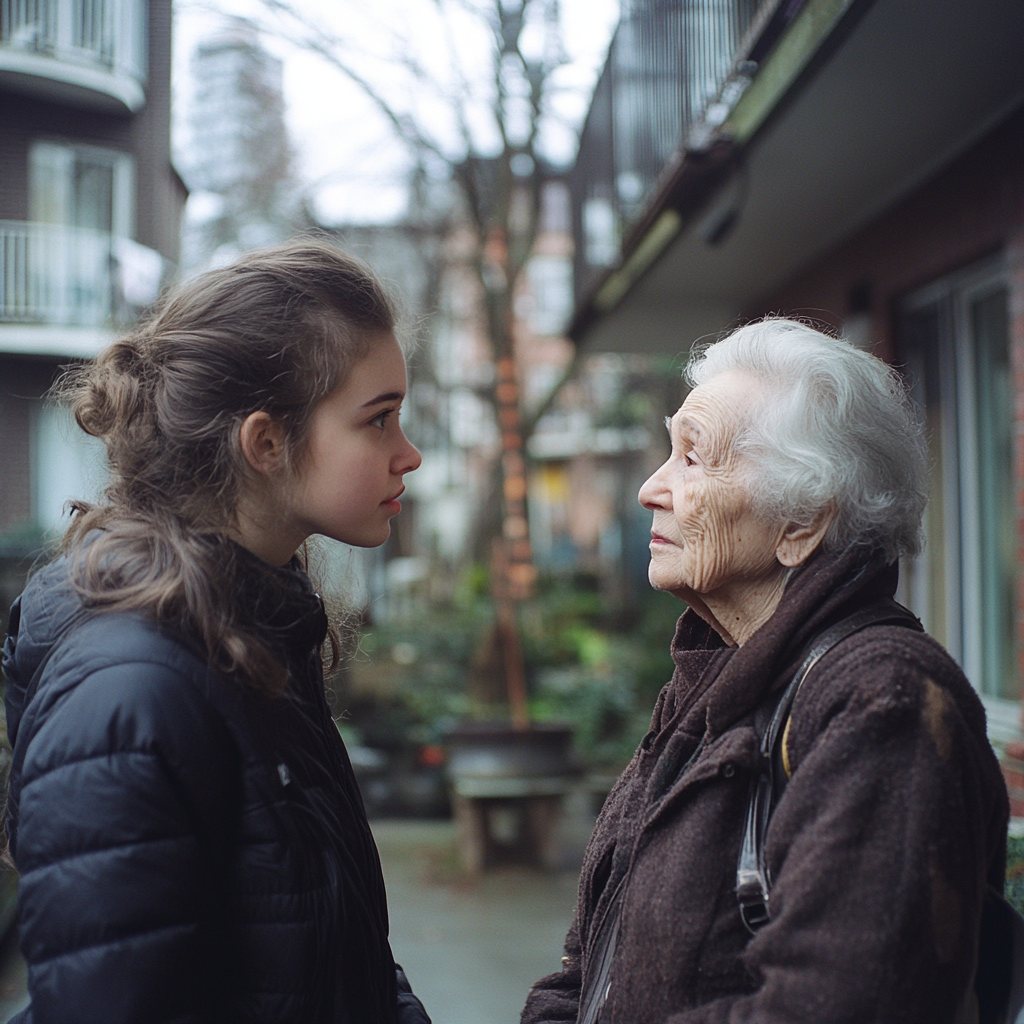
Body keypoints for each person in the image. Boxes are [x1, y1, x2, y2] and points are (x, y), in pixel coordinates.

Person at [522, 318, 1010, 1024]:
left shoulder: (881, 701)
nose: (650, 489)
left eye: (694, 459)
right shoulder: (709, 686)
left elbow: (838, 1008)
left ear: (801, 523)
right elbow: (588, 967)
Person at [2, 240, 431, 1023]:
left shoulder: (254, 632)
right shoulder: (136, 694)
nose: (410, 454)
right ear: (265, 442)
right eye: (379, 420)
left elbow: (332, 958)